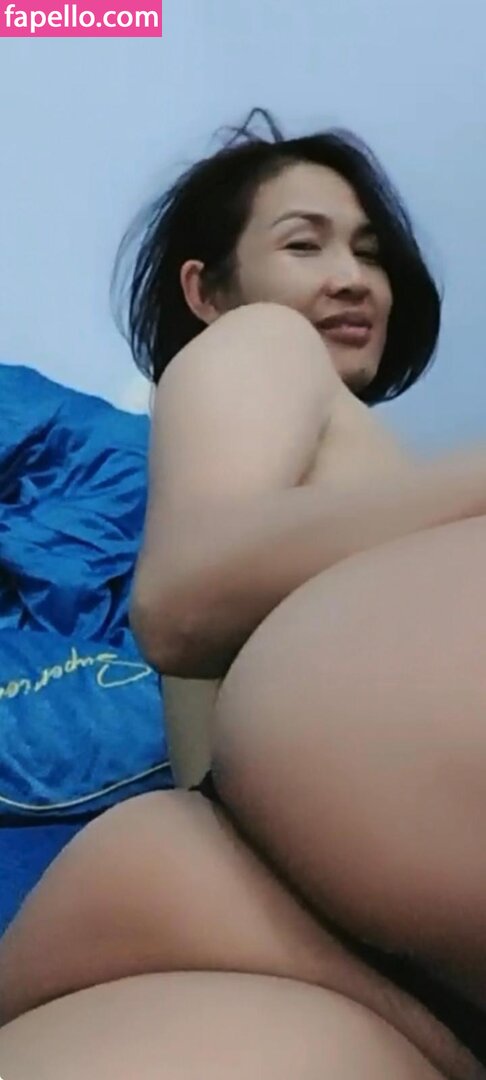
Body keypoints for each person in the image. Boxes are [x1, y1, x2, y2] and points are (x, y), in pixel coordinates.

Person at [1, 109, 485, 1080]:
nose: (352, 277)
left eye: (370, 252)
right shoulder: (259, 343)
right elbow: (184, 593)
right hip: (303, 874)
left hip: (308, 921)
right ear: (207, 291)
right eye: (304, 244)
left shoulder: (369, 471)